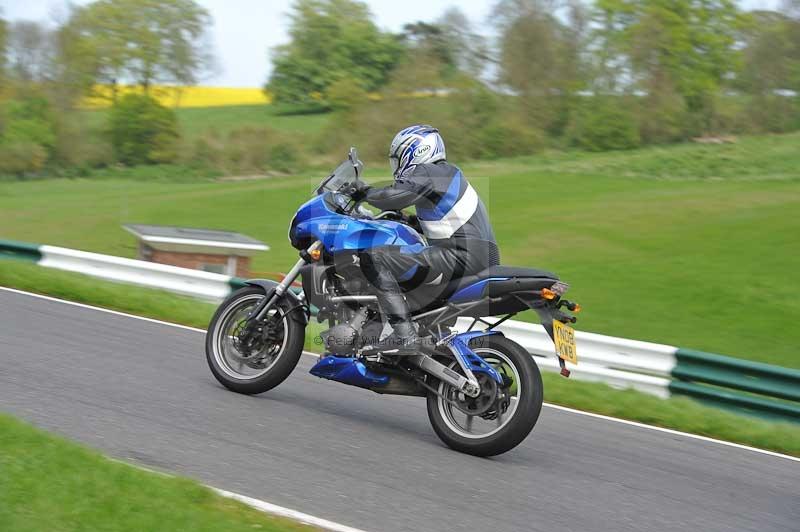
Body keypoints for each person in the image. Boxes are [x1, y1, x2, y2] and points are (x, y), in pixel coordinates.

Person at [354, 125, 499, 352]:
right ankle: (424, 339)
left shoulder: (431, 171)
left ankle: (405, 337)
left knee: (374, 257)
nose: (397, 166)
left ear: (416, 151)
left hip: (461, 256)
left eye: (398, 158)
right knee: (407, 273)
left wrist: (363, 192)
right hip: (473, 255)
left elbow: (396, 196)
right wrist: (405, 220)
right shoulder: (445, 174)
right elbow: (444, 223)